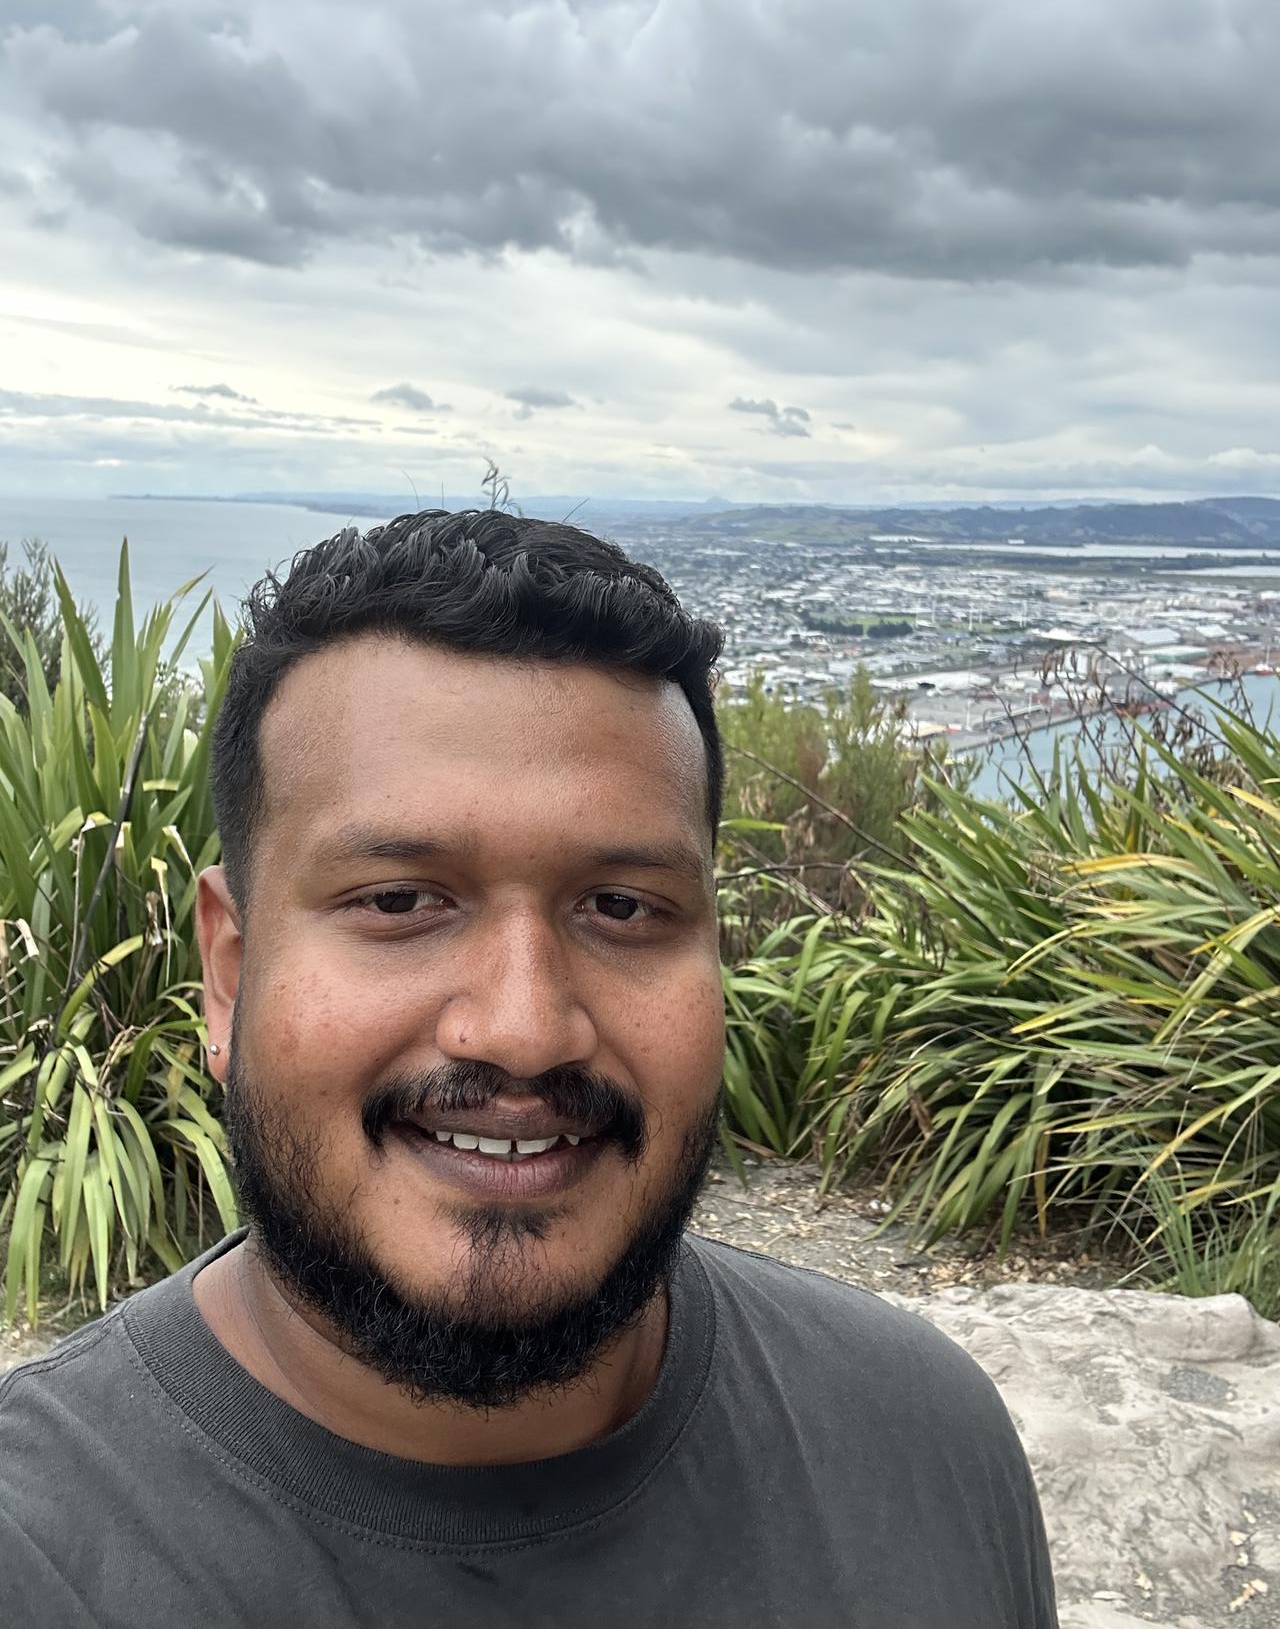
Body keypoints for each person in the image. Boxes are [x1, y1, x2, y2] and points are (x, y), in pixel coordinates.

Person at [0, 509, 1058, 1627]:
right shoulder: (36, 1551)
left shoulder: (923, 1446)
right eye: (398, 901)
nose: (522, 1028)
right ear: (229, 970)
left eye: (622, 908)